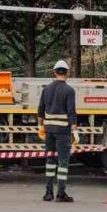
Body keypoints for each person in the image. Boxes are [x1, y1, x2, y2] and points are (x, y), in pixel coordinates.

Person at [37, 59, 79, 202]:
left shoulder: (46, 89)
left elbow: (40, 110)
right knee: (62, 162)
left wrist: (40, 126)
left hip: (49, 130)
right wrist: (75, 132)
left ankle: (48, 193)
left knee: (50, 160)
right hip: (63, 131)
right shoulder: (69, 90)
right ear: (67, 73)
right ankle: (61, 194)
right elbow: (71, 112)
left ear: (54, 72)